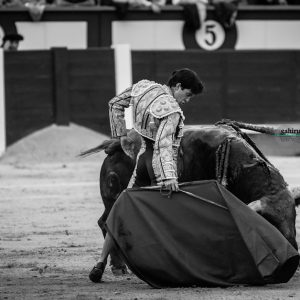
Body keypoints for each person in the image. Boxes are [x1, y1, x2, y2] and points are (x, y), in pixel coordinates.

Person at [89, 68, 204, 283]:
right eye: (187, 95)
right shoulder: (171, 109)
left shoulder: (144, 87)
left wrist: (121, 136)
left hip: (141, 159)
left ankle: (101, 261)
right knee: (163, 215)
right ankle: (161, 268)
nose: (186, 101)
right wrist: (168, 177)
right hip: (156, 164)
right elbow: (163, 145)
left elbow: (114, 104)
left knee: (120, 209)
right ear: (177, 86)